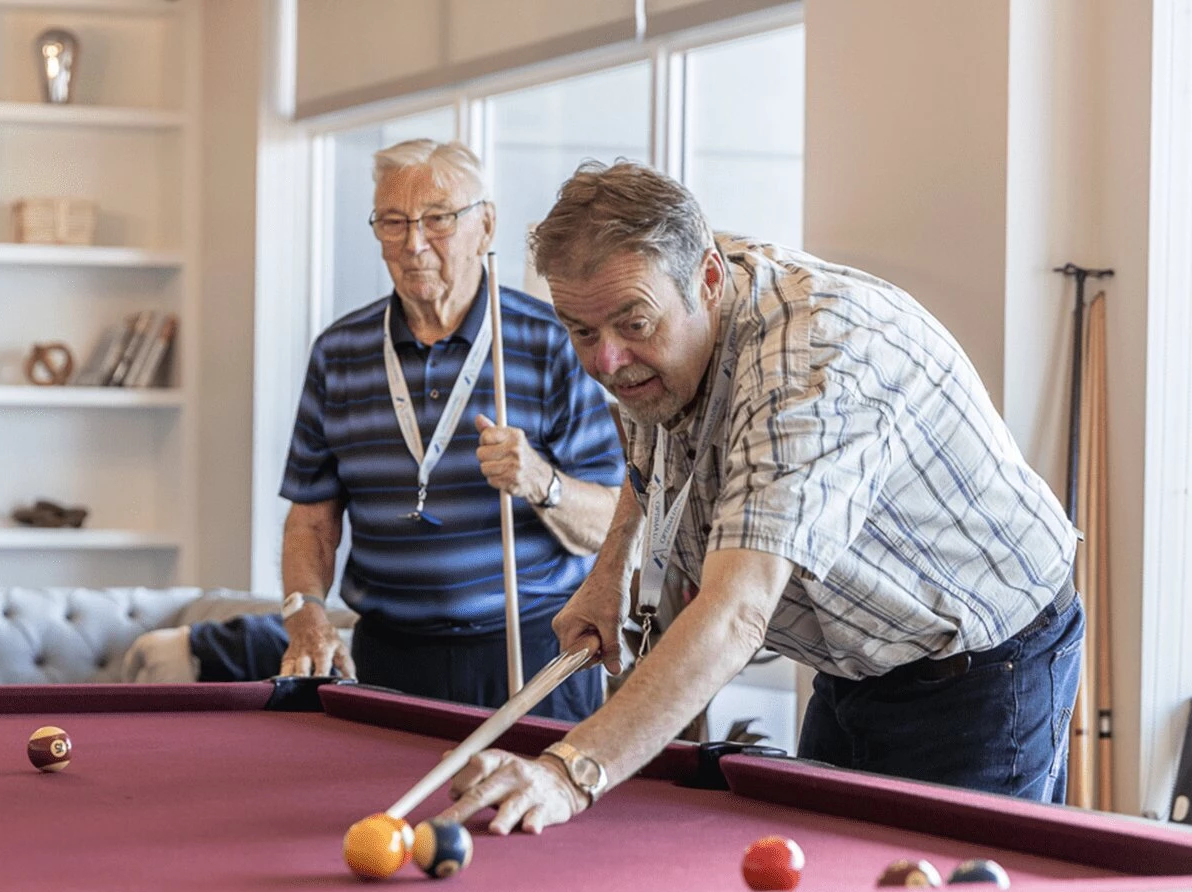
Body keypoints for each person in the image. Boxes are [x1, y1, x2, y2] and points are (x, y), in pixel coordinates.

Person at [447, 162, 1082, 831]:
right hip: (856, 660)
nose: (605, 361)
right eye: (582, 332)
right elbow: (653, 437)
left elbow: (737, 614)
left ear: (708, 281)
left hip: (987, 665)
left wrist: (570, 774)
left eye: (633, 325)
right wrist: (611, 573)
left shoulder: (810, 364)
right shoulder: (662, 314)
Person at [277, 140, 625, 723]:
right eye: (393, 222)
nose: (413, 243)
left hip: (530, 651)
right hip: (388, 657)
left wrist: (540, 480)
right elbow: (311, 519)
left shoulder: (552, 342)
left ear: (485, 226)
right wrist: (305, 612)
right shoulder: (339, 353)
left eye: (438, 219)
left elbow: (611, 524)